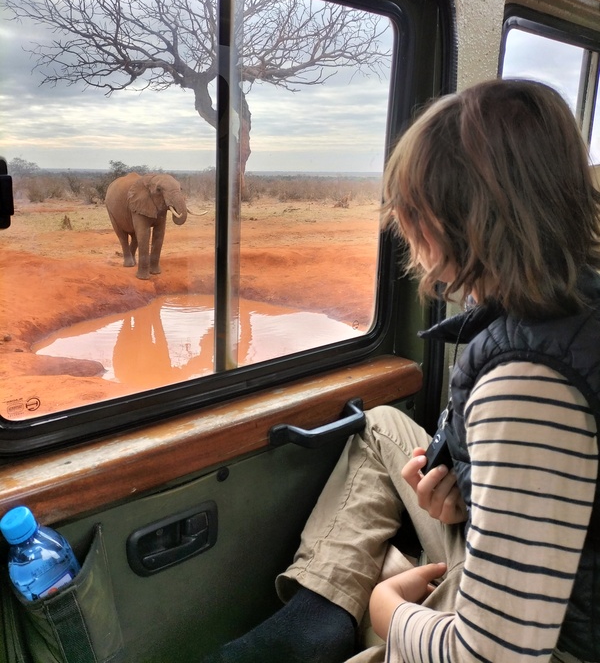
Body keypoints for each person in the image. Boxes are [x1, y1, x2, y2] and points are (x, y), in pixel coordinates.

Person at [204, 79, 600, 663]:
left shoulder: (528, 384)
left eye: (413, 207)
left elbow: (493, 658)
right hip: (557, 571)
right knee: (382, 424)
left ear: (461, 218)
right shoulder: (563, 307)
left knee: (387, 607)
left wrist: (389, 612)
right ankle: (315, 621)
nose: (401, 225)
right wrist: (469, 490)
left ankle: (344, 615)